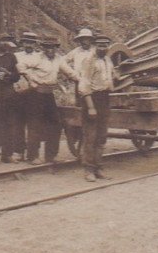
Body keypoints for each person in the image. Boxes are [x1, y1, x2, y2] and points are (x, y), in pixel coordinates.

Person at [19, 35, 78, 165]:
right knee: (35, 125)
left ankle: (51, 155)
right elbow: (20, 66)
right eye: (47, 47)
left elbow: (70, 72)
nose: (50, 50)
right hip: (35, 94)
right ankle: (32, 156)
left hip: (48, 94)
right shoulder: (38, 58)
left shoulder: (59, 59)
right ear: (43, 48)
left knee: (55, 124)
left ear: (56, 48)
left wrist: (81, 80)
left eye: (52, 47)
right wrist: (30, 80)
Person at [77, 34, 115, 182]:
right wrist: (91, 107)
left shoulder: (107, 60)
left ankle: (99, 168)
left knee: (101, 136)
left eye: (105, 45)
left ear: (108, 47)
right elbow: (84, 85)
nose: (102, 48)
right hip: (91, 99)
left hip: (104, 99)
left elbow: (110, 77)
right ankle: (89, 170)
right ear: (95, 46)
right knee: (90, 137)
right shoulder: (88, 61)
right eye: (99, 45)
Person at [0, 33, 20, 164]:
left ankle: (7, 154)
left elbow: (17, 76)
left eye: (9, 42)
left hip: (8, 94)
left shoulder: (11, 57)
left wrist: (8, 75)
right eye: (4, 42)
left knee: (9, 124)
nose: (7, 45)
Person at [14, 30, 42, 162]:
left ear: (36, 44)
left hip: (35, 93)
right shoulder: (16, 56)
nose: (29, 45)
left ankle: (33, 154)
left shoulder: (40, 57)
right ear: (22, 43)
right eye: (26, 42)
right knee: (18, 123)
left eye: (31, 42)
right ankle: (19, 151)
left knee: (34, 124)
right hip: (20, 92)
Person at [64, 27, 95, 105]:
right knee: (80, 103)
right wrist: (70, 73)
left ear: (90, 40)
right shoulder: (75, 51)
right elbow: (62, 61)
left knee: (92, 103)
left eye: (86, 39)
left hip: (92, 82)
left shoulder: (95, 51)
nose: (83, 42)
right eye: (82, 39)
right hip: (79, 81)